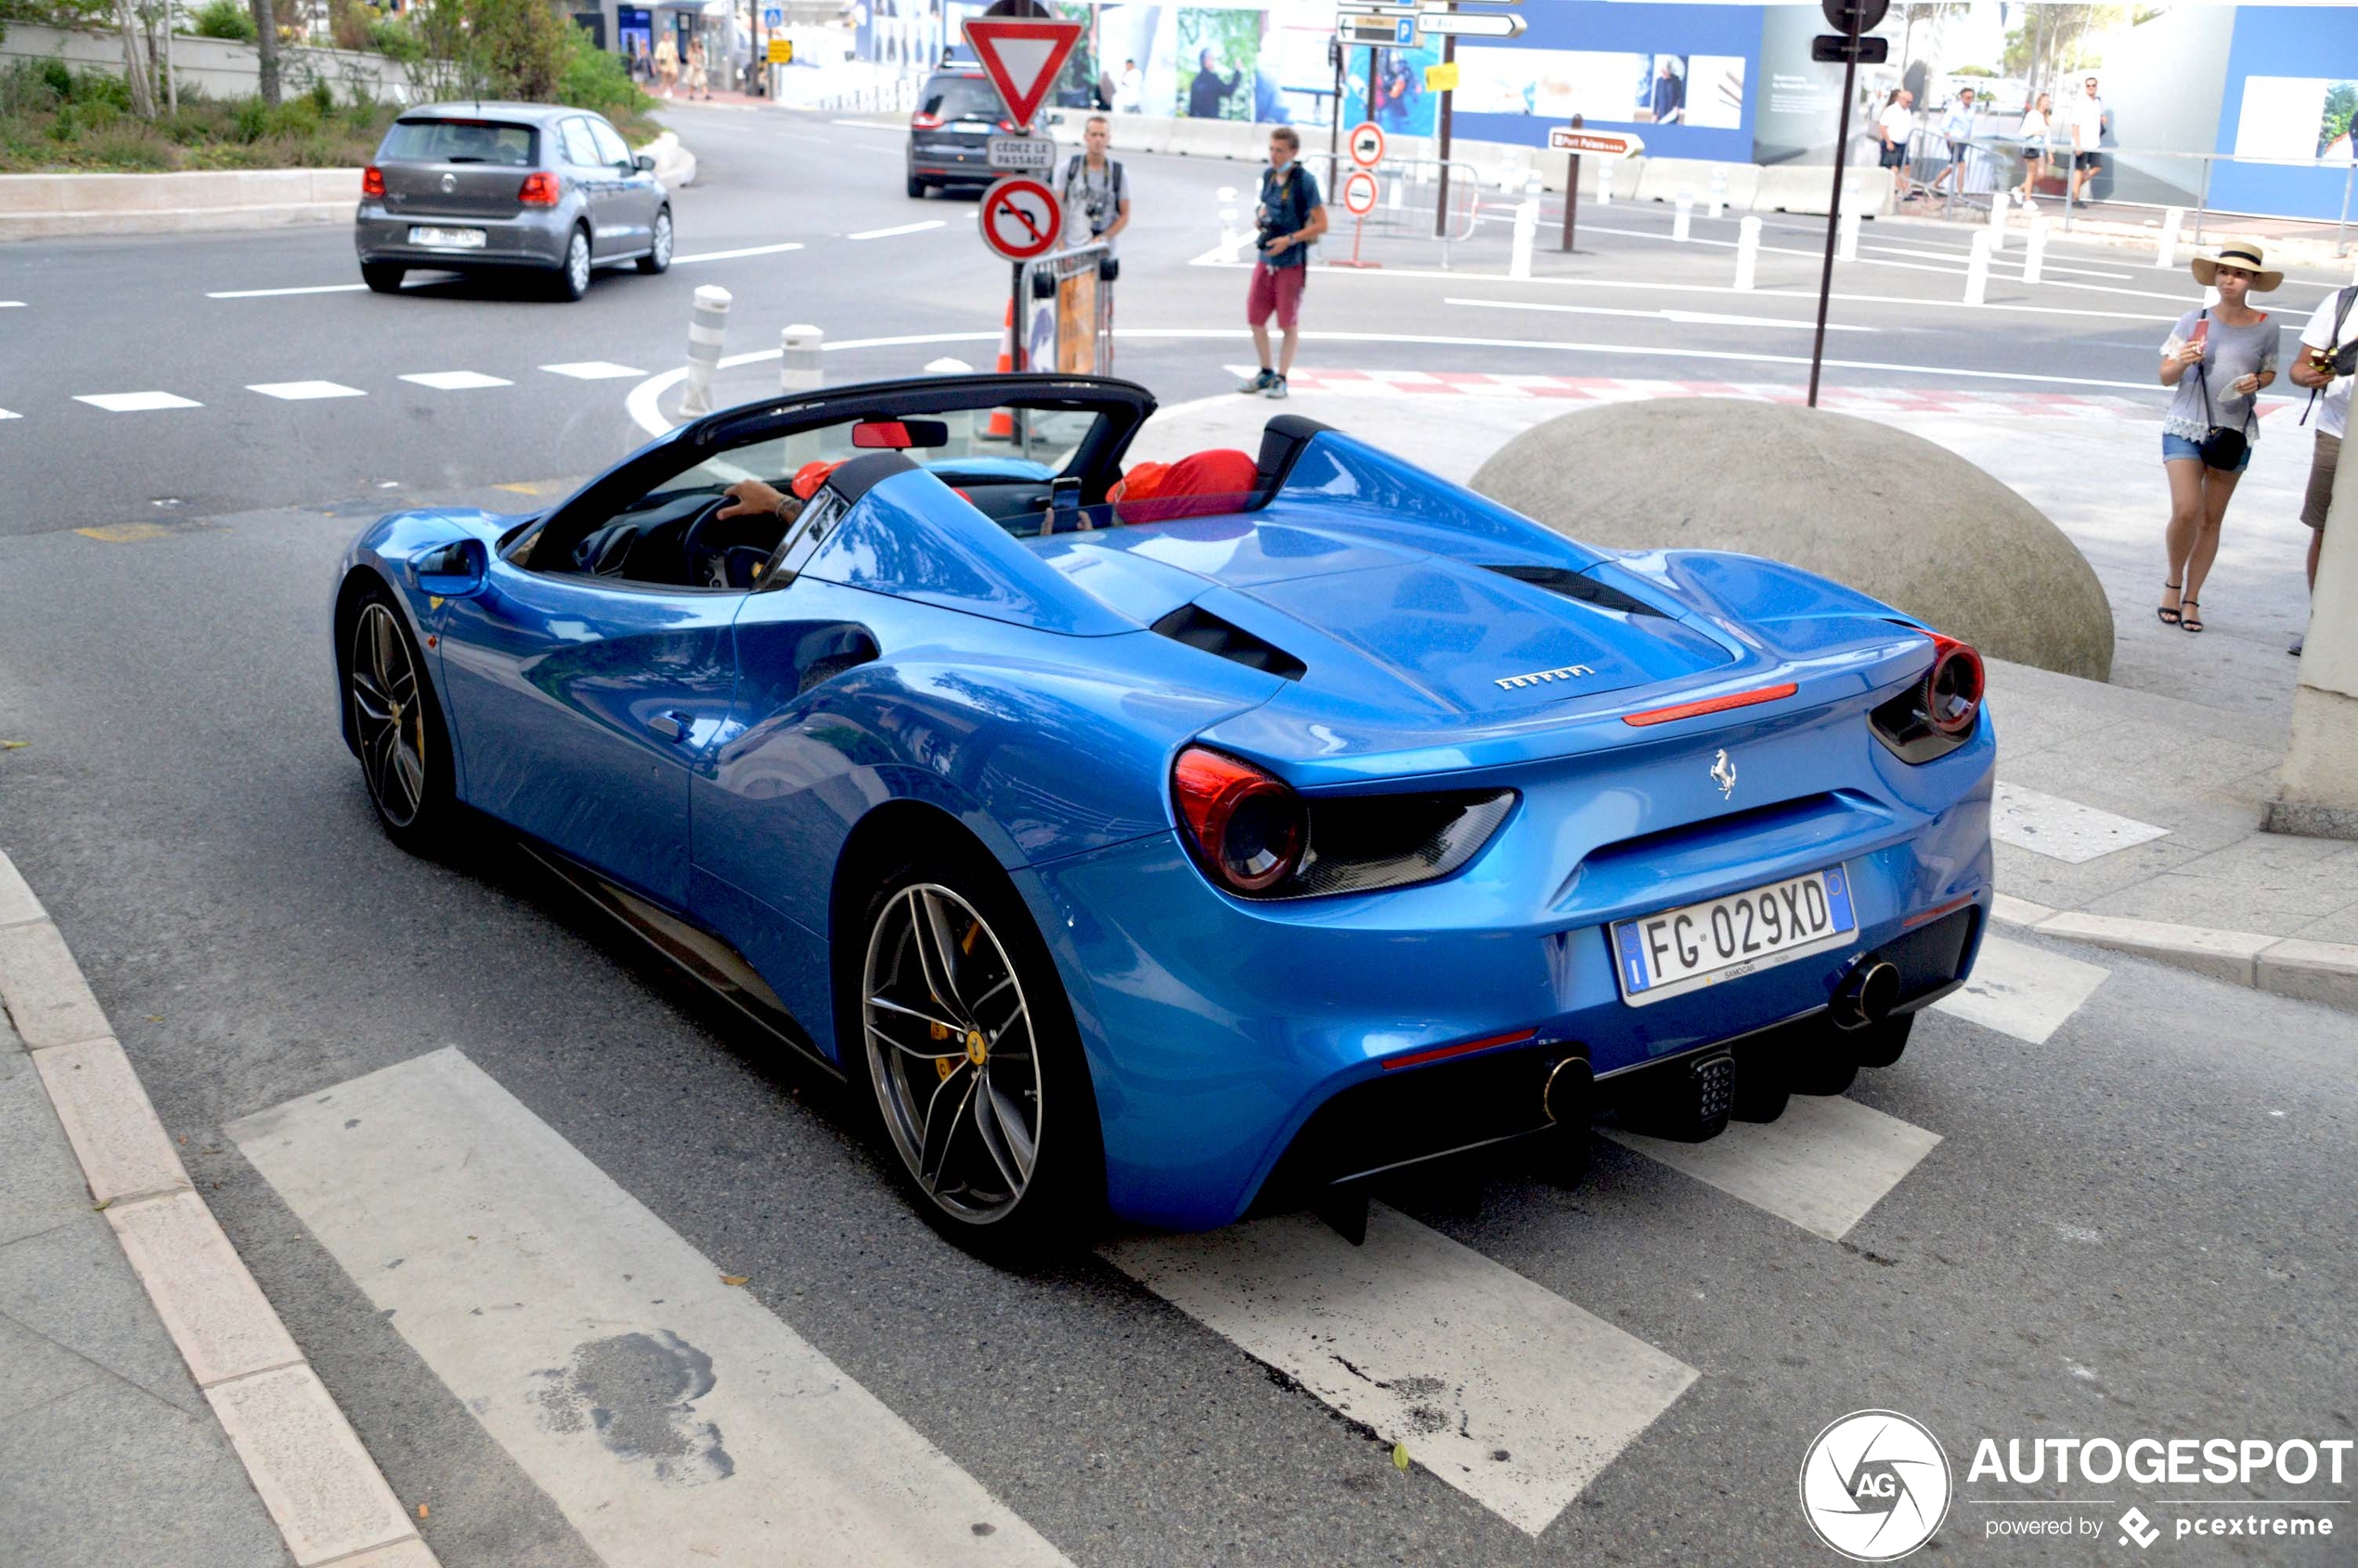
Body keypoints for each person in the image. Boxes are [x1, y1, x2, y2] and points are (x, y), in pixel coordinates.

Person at [2156, 242, 2283, 635]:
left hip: (2233, 431)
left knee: (2211, 518)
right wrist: (2183, 361)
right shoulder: (2194, 320)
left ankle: (2192, 598)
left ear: (2254, 281)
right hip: (2185, 424)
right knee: (2187, 511)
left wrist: (2256, 382)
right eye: (2225, 272)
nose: (2231, 280)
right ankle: (2173, 584)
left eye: (2241, 274)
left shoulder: (2267, 326)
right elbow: (2164, 375)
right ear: (2214, 276)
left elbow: (2270, 372)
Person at [2287, 277, 2356, 655]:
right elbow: (2299, 368)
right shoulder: (2342, 303)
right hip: (2335, 433)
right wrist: (2309, 376)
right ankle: (2320, 623)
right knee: (2323, 529)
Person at [1237, 126, 1326, 401]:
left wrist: (1290, 239)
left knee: (1287, 323)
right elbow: (1267, 207)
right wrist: (1261, 220)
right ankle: (1265, 370)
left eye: (1280, 151)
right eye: (1271, 149)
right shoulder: (1269, 176)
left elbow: (1322, 224)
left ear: (1294, 152)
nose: (1274, 156)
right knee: (1255, 317)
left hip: (1291, 262)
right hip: (1267, 259)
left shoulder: (1304, 181)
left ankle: (1282, 377)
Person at [1058, 115, 1132, 251]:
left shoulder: (1119, 173)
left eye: (1102, 135)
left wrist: (1103, 238)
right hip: (1071, 250)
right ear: (1086, 137)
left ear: (1108, 139)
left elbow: (1125, 215)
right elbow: (1056, 211)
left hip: (1103, 252)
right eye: (1094, 135)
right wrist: (1061, 248)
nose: (1098, 140)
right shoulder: (1069, 168)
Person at [1926, 85, 1976, 210]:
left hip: (1963, 141)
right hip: (1954, 140)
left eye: (1972, 98)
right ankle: (1960, 193)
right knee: (1962, 166)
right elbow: (1944, 125)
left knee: (1952, 167)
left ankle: (1934, 185)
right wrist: (1949, 138)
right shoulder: (1954, 109)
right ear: (1962, 97)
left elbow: (1969, 125)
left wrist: (1970, 137)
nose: (1970, 100)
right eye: (1968, 97)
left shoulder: (1972, 109)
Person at [2069, 74, 2107, 208]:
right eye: (2088, 85)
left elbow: (2096, 116)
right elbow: (2075, 124)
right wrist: (2077, 145)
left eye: (2093, 85)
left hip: (2094, 143)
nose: (2091, 87)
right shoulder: (2080, 102)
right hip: (2082, 143)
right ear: (2085, 87)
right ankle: (2074, 197)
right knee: (2079, 170)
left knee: (2097, 167)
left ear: (2096, 87)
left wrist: (2102, 118)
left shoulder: (2097, 102)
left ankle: (2074, 188)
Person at [1876, 87, 1916, 207]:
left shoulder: (1907, 111)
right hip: (1892, 142)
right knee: (1894, 168)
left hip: (1903, 143)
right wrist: (1888, 142)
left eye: (1910, 102)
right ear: (1900, 99)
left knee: (1906, 166)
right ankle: (1901, 190)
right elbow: (1882, 127)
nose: (1909, 104)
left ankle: (1905, 188)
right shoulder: (1891, 110)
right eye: (1907, 101)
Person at [2015, 90, 2053, 209]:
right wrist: (2035, 132)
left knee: (2041, 174)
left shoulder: (2045, 117)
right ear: (2040, 101)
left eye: (2049, 101)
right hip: (2031, 146)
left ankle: (2020, 189)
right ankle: (2028, 200)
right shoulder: (2033, 114)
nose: (2048, 103)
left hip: (2040, 148)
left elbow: (2047, 136)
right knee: (2031, 173)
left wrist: (2050, 153)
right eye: (2046, 101)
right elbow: (2023, 132)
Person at [1188, 48, 1237, 119]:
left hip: (1197, 125)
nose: (1213, 60)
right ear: (1205, 61)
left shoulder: (1195, 82)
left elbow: (1191, 110)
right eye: (1211, 58)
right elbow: (1229, 91)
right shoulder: (1213, 79)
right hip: (1211, 125)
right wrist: (1238, 73)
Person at [1648, 57, 1684, 125]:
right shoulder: (1659, 81)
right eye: (1662, 72)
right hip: (1661, 113)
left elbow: (1680, 96)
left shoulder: (1676, 81)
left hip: (1671, 113)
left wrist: (1677, 106)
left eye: (1665, 72)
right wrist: (1655, 114)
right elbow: (1656, 98)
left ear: (1669, 71)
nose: (1663, 73)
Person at [654, 32, 679, 99]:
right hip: (664, 61)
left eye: (668, 35)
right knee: (665, 77)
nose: (667, 37)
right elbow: (658, 55)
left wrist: (678, 61)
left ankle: (669, 87)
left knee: (675, 75)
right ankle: (665, 91)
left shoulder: (672, 44)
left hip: (672, 61)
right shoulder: (660, 45)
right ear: (663, 37)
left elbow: (675, 53)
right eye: (666, 36)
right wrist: (658, 65)